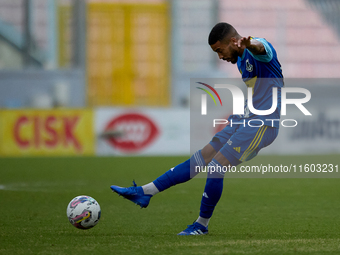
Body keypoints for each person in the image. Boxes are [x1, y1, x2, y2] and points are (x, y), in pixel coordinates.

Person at [110, 22, 284, 235]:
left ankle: (201, 225)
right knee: (202, 157)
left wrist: (252, 44)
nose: (220, 57)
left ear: (233, 41)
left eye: (220, 51)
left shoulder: (257, 50)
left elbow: (262, 48)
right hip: (246, 120)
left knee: (216, 167)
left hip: (262, 125)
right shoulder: (240, 60)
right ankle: (145, 192)